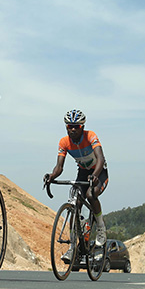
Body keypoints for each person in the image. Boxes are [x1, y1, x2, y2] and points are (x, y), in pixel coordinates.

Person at [43, 109, 109, 259]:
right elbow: (59, 167)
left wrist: (95, 175)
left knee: (91, 195)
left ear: (82, 127)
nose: (72, 129)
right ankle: (73, 247)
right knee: (76, 203)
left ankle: (100, 226)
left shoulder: (90, 136)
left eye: (76, 127)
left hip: (99, 171)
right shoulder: (64, 142)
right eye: (69, 126)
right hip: (83, 172)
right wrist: (52, 175)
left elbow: (100, 158)